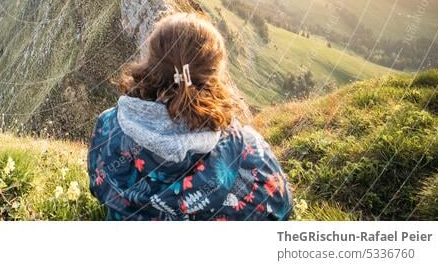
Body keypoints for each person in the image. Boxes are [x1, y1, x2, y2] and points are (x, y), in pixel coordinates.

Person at [88, 12, 292, 220]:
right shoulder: (246, 149)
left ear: (151, 63)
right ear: (213, 75)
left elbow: (98, 187)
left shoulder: (108, 125)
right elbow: (280, 207)